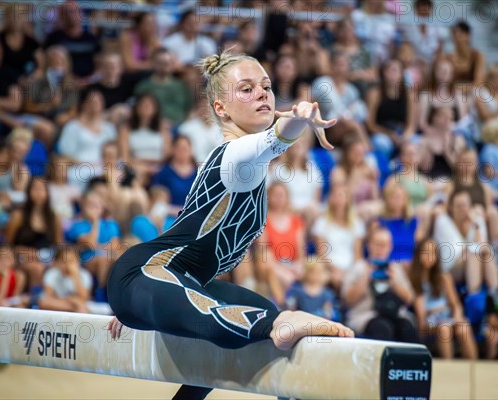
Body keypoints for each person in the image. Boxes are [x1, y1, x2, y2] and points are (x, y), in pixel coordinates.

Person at [107, 51, 353, 400]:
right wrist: (297, 120)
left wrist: (158, 303)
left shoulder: (237, 163)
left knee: (262, 319)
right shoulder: (235, 155)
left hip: (175, 282)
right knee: (255, 323)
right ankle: (276, 324)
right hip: (143, 274)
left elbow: (184, 234)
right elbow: (274, 141)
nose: (262, 94)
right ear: (221, 108)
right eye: (247, 89)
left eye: (266, 87)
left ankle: (273, 327)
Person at [341, 227, 417, 343]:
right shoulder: (358, 267)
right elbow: (348, 299)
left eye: (384, 245)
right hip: (366, 315)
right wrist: (366, 277)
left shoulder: (395, 269)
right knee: (383, 328)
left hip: (394, 313)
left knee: (407, 328)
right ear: (369, 245)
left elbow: (409, 298)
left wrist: (394, 283)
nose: (380, 249)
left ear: (390, 247)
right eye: (377, 244)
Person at [410, 239, 477, 359]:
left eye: (433, 253)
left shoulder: (444, 277)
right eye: (426, 252)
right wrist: (434, 311)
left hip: (446, 316)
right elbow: (421, 313)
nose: (429, 257)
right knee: (444, 329)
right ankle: (448, 366)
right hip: (427, 321)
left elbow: (455, 304)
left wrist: (457, 316)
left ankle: (474, 368)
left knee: (463, 327)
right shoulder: (415, 279)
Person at [38, 246, 93, 313]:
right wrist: (70, 301)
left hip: (77, 303)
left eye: (71, 261)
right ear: (57, 262)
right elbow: (48, 296)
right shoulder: (51, 273)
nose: (67, 264)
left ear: (78, 262)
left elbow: (84, 297)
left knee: (82, 308)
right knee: (44, 302)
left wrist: (75, 277)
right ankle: (72, 308)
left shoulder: (84, 275)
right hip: (60, 303)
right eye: (64, 261)